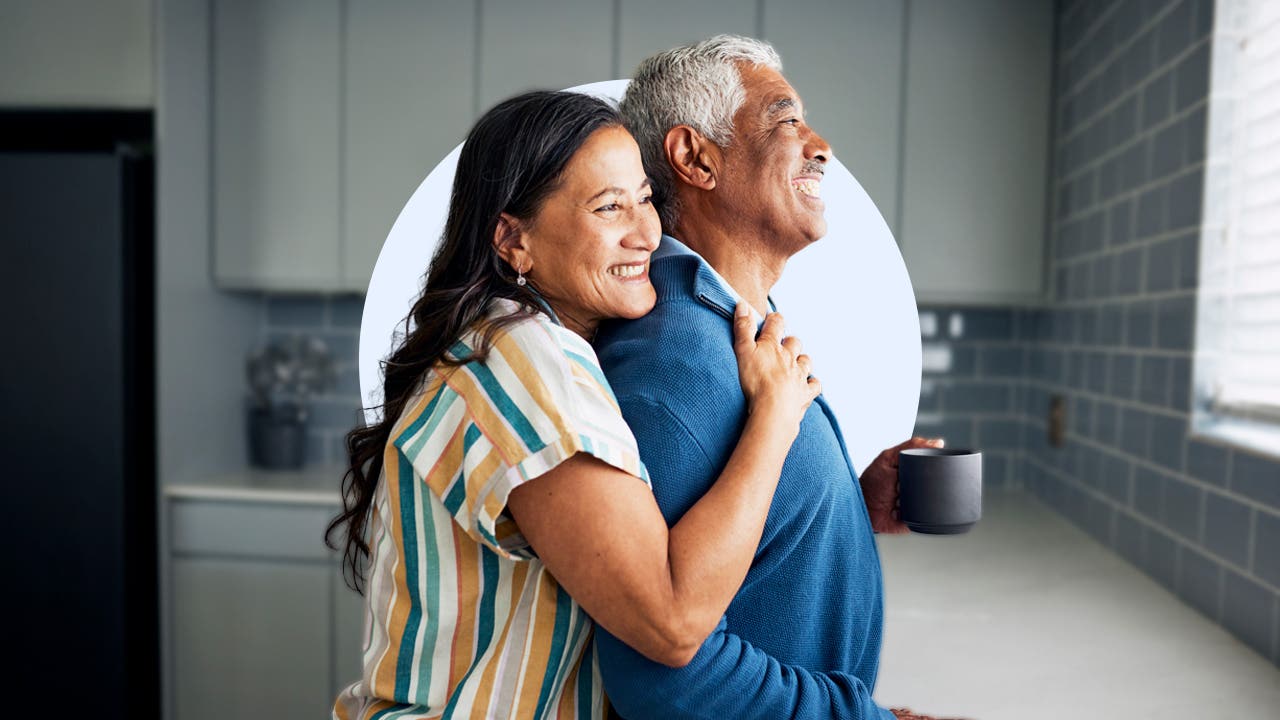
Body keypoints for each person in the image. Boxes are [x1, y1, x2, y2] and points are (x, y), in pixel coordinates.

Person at [327, 90, 821, 719]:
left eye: (644, 198)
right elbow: (672, 621)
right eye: (608, 207)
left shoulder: (512, 342)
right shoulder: (524, 363)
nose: (647, 232)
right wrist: (775, 419)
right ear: (514, 240)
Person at [592, 36, 958, 720]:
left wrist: (844, 504)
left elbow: (733, 538)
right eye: (787, 120)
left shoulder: (736, 324)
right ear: (696, 157)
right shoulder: (677, 361)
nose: (820, 146)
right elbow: (668, 682)